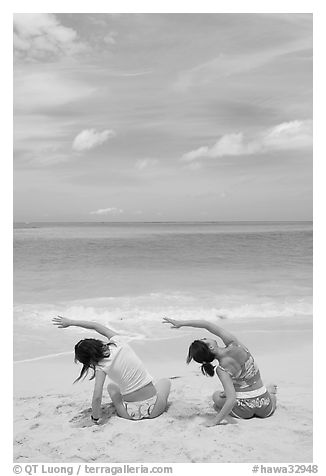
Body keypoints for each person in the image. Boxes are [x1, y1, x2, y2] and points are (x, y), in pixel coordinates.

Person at [52, 316, 171, 424]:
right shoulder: (119, 342)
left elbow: (97, 396)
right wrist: (71, 322)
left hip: (129, 413)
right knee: (165, 381)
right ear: (97, 344)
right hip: (155, 409)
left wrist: (95, 418)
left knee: (111, 387)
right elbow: (96, 326)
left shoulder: (100, 367)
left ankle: (125, 402)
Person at [163, 317, 277, 426]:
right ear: (211, 347)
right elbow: (207, 325)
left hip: (243, 410)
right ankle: (270, 392)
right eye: (204, 339)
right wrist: (181, 323)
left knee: (216, 396)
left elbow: (231, 400)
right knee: (268, 393)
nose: (205, 337)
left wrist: (214, 421)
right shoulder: (234, 344)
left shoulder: (221, 369)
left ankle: (224, 399)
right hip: (265, 406)